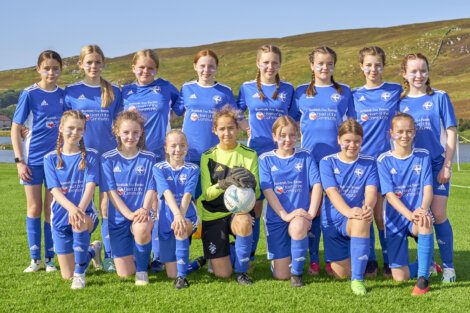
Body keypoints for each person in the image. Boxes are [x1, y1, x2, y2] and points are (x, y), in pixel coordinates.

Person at [289, 46, 355, 275]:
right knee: (313, 210)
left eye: (329, 64)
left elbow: (351, 126)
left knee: (330, 209)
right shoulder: (300, 93)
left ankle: (333, 257)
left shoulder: (344, 91)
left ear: (334, 66)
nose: (324, 68)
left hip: (336, 161)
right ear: (312, 66)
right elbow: (290, 123)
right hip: (309, 160)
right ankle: (314, 258)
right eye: (320, 63)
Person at [399, 53, 457, 283]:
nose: (418, 75)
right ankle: (429, 263)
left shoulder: (440, 97)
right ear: (404, 74)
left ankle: (449, 267)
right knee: (421, 217)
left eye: (423, 70)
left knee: (439, 214)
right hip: (411, 167)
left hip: (435, 163)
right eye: (413, 71)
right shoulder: (400, 101)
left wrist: (447, 164)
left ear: (428, 72)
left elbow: (450, 132)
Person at [65, 45, 123, 272]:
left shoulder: (114, 92)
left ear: (103, 64)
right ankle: (87, 249)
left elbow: (120, 125)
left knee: (107, 206)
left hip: (108, 157)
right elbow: (63, 125)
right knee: (83, 206)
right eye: (89, 62)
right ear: (81, 64)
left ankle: (108, 255)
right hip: (81, 158)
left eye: (97, 62)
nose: (93, 66)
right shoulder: (70, 92)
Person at [122, 49, 180, 273]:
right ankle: (119, 252)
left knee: (157, 203)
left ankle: (158, 256)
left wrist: (168, 116)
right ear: (133, 68)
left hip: (158, 154)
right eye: (141, 67)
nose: (145, 71)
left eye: (150, 68)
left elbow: (180, 106)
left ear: (156, 69)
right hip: (132, 156)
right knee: (127, 200)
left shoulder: (166, 87)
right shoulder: (125, 91)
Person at [237, 45, 295, 266]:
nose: (270, 66)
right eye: (266, 62)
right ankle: (250, 255)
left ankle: (285, 253)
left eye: (274, 63)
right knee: (254, 205)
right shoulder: (246, 87)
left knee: (285, 200)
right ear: (258, 63)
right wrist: (245, 127)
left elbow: (296, 117)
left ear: (280, 65)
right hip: (256, 154)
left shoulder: (288, 89)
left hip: (282, 154)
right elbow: (235, 110)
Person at [11, 50, 64, 272]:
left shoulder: (64, 94)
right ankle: (35, 259)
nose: (51, 72)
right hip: (32, 160)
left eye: (55, 68)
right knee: (34, 207)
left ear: (60, 70)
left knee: (51, 208)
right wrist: (19, 161)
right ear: (38, 69)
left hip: (56, 161)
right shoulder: (29, 94)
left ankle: (50, 258)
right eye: (47, 68)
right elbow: (15, 129)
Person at [352, 46, 402, 277]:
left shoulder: (394, 90)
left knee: (382, 216)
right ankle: (369, 260)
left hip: (384, 163)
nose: (373, 69)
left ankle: (389, 261)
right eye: (369, 65)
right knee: (365, 212)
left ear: (384, 65)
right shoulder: (353, 95)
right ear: (361, 66)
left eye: (377, 64)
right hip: (360, 163)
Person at [198, 105, 259, 284]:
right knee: (222, 274)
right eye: (222, 128)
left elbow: (256, 192)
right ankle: (229, 251)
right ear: (215, 130)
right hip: (213, 214)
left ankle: (242, 272)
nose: (227, 133)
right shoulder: (207, 157)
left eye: (231, 128)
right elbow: (207, 194)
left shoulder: (249, 155)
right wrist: (224, 183)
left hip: (237, 213)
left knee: (245, 220)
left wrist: (252, 183)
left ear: (237, 128)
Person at [259, 116, 322, 287]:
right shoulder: (265, 159)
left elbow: (316, 185)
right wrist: (285, 215)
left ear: (297, 136)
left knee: (298, 226)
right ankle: (287, 259)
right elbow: (268, 190)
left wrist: (310, 213)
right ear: (274, 136)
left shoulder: (305, 156)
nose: (288, 140)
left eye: (292, 135)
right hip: (277, 218)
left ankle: (297, 274)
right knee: (281, 275)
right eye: (282, 135)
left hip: (300, 216)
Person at [377, 113, 434, 295]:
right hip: (395, 219)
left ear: (414, 132)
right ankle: (427, 263)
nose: (404, 135)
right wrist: (409, 214)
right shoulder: (383, 160)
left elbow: (428, 188)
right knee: (399, 277)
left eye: (409, 131)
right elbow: (390, 195)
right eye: (400, 131)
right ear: (391, 133)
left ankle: (423, 280)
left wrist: (422, 210)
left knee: (425, 221)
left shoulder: (423, 156)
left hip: (417, 214)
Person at [43, 110, 101, 289]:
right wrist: (71, 209)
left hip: (86, 214)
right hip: (61, 217)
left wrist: (79, 210)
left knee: (79, 222)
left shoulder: (90, 155)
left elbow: (90, 187)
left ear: (84, 131)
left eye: (79, 129)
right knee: (65, 274)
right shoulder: (50, 158)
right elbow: (54, 190)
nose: (74, 132)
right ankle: (93, 250)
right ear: (61, 128)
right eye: (70, 128)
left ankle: (80, 274)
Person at [319, 119, 377, 295]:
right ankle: (350, 260)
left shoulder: (369, 162)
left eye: (357, 141)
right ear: (339, 140)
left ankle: (358, 280)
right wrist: (348, 211)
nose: (352, 145)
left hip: (356, 219)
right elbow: (331, 192)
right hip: (333, 222)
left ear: (362, 141)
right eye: (347, 141)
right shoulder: (327, 162)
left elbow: (371, 191)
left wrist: (368, 207)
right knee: (341, 274)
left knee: (360, 220)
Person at [100, 111, 155, 285]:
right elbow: (112, 193)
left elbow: (150, 188)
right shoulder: (107, 159)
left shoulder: (149, 158)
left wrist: (144, 210)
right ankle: (96, 250)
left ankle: (142, 271)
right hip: (118, 218)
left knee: (140, 228)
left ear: (141, 134)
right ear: (117, 131)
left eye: (135, 133)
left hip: (141, 215)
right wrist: (129, 215)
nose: (130, 137)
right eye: (126, 132)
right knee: (124, 273)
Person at [153, 130, 201, 289]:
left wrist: (180, 216)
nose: (178, 149)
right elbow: (165, 192)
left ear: (187, 147)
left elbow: (188, 193)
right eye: (173, 146)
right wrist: (176, 215)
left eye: (182, 145)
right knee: (170, 273)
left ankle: (182, 278)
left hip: (187, 215)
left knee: (180, 227)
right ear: (166, 148)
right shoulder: (158, 168)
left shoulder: (193, 168)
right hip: (166, 219)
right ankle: (194, 264)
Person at [174, 49, 237, 169]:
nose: (206, 70)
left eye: (211, 66)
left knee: (214, 188)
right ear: (195, 66)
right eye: (202, 66)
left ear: (216, 68)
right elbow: (174, 113)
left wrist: (250, 130)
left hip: (216, 154)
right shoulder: (187, 88)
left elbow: (237, 118)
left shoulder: (225, 91)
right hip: (189, 154)